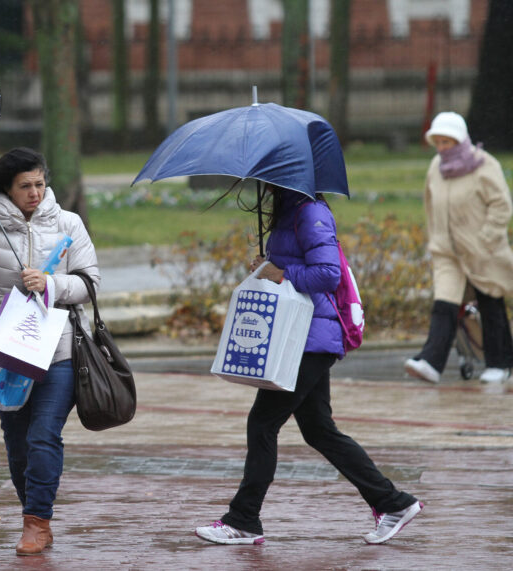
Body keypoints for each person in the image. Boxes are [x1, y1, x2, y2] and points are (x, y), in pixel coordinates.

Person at [195, 186, 422, 546]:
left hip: (309, 336)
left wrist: (281, 273)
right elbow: (292, 266)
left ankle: (243, 519)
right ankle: (392, 503)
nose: (265, 182)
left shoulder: (311, 212)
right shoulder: (291, 209)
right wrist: (268, 268)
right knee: (318, 429)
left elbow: (328, 274)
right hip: (303, 333)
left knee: (263, 423)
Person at [0, 147, 100, 556]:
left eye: (39, 183)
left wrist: (51, 285)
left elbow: (91, 283)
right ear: (7, 188)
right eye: (25, 186)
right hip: (8, 350)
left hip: (60, 349)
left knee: (43, 436)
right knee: (17, 441)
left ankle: (37, 521)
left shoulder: (68, 222)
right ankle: (32, 513)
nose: (35, 192)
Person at [404, 111, 513, 384]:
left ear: (460, 140)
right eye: (437, 142)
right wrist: (436, 238)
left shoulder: (484, 165)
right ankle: (431, 363)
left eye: (447, 142)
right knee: (444, 304)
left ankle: (500, 363)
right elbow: (430, 204)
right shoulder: (435, 168)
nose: (441, 148)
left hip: (483, 251)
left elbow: (501, 205)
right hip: (447, 252)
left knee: (491, 302)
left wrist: (487, 239)